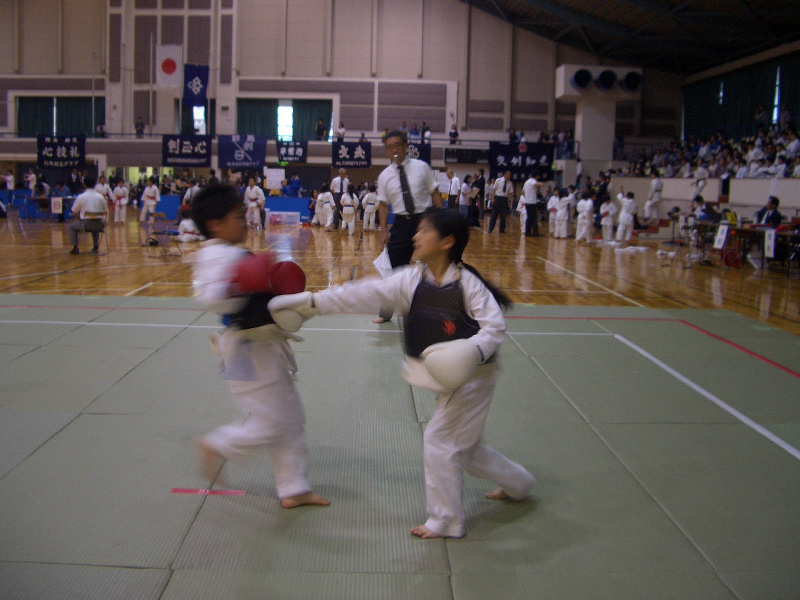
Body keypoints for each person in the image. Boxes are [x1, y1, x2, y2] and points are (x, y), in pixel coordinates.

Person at [268, 207, 535, 539]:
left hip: (474, 379)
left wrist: (472, 350)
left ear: (447, 242)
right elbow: (360, 293)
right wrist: (312, 303)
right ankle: (520, 484)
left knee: (439, 440)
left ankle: (446, 520)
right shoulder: (410, 279)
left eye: (424, 231)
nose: (415, 236)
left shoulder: (468, 284)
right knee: (466, 450)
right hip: (443, 376)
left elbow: (494, 328)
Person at [189, 184, 330, 510]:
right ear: (215, 225)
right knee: (271, 421)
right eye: (237, 217)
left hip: (262, 346)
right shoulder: (212, 255)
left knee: (290, 416)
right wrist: (240, 281)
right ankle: (217, 445)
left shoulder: (232, 252)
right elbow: (209, 298)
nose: (244, 222)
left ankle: (293, 487)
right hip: (246, 350)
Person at [375, 130, 442, 323]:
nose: (394, 150)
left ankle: (439, 308)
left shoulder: (422, 167)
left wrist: (441, 221)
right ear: (386, 151)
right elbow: (383, 206)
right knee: (392, 271)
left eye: (397, 145)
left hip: (425, 221)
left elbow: (435, 194)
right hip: (401, 223)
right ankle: (385, 313)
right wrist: (384, 230)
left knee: (433, 268)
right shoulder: (385, 176)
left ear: (405, 146)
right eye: (389, 147)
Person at [68, 176, 108, 255]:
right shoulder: (100, 196)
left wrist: (78, 219)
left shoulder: (81, 196)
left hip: (86, 224)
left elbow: (74, 211)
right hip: (99, 224)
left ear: (84, 184)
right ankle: (95, 246)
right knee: (95, 224)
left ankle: (75, 247)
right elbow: (105, 210)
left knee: (71, 226)